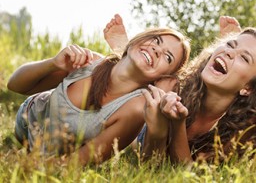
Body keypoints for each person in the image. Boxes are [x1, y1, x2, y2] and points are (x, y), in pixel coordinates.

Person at [104, 14, 256, 164]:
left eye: (244, 57)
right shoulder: (181, 85)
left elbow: (184, 172)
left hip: (152, 135)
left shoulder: (246, 127)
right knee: (155, 83)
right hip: (143, 123)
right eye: (230, 44)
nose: (229, 51)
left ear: (248, 88)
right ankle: (123, 51)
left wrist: (176, 124)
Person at [7, 27, 191, 166]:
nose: (157, 50)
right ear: (137, 41)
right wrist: (53, 63)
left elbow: (76, 163)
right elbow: (14, 85)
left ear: (163, 77)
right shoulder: (89, 62)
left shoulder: (134, 109)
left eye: (168, 57)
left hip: (48, 153)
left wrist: (37, 165)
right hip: (27, 121)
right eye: (156, 40)